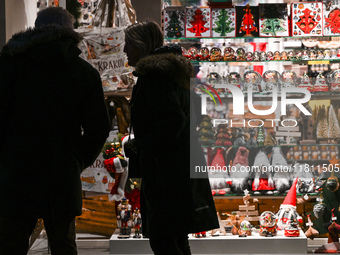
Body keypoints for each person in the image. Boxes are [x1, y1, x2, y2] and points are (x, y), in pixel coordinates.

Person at [0, 7, 110, 255]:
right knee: (63, 245)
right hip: (61, 173)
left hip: (17, 172)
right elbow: (99, 127)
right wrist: (77, 159)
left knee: (10, 243)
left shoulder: (10, 65)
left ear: (36, 29)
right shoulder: (83, 72)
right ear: (70, 33)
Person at [123, 21, 219, 255]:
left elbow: (172, 121)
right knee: (176, 237)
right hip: (176, 168)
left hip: (166, 172)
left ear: (140, 45)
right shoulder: (172, 73)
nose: (125, 50)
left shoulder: (155, 76)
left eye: (128, 45)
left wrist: (139, 145)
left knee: (163, 239)